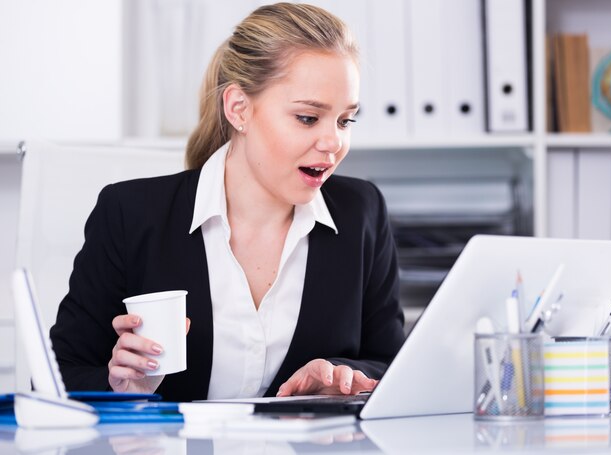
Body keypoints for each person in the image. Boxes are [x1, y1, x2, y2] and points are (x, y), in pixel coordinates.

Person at [50, 2, 405, 402]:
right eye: (308, 118)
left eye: (345, 121)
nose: (333, 143)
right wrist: (121, 389)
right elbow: (58, 379)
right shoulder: (129, 214)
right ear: (239, 108)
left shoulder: (362, 213)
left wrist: (344, 377)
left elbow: (393, 365)